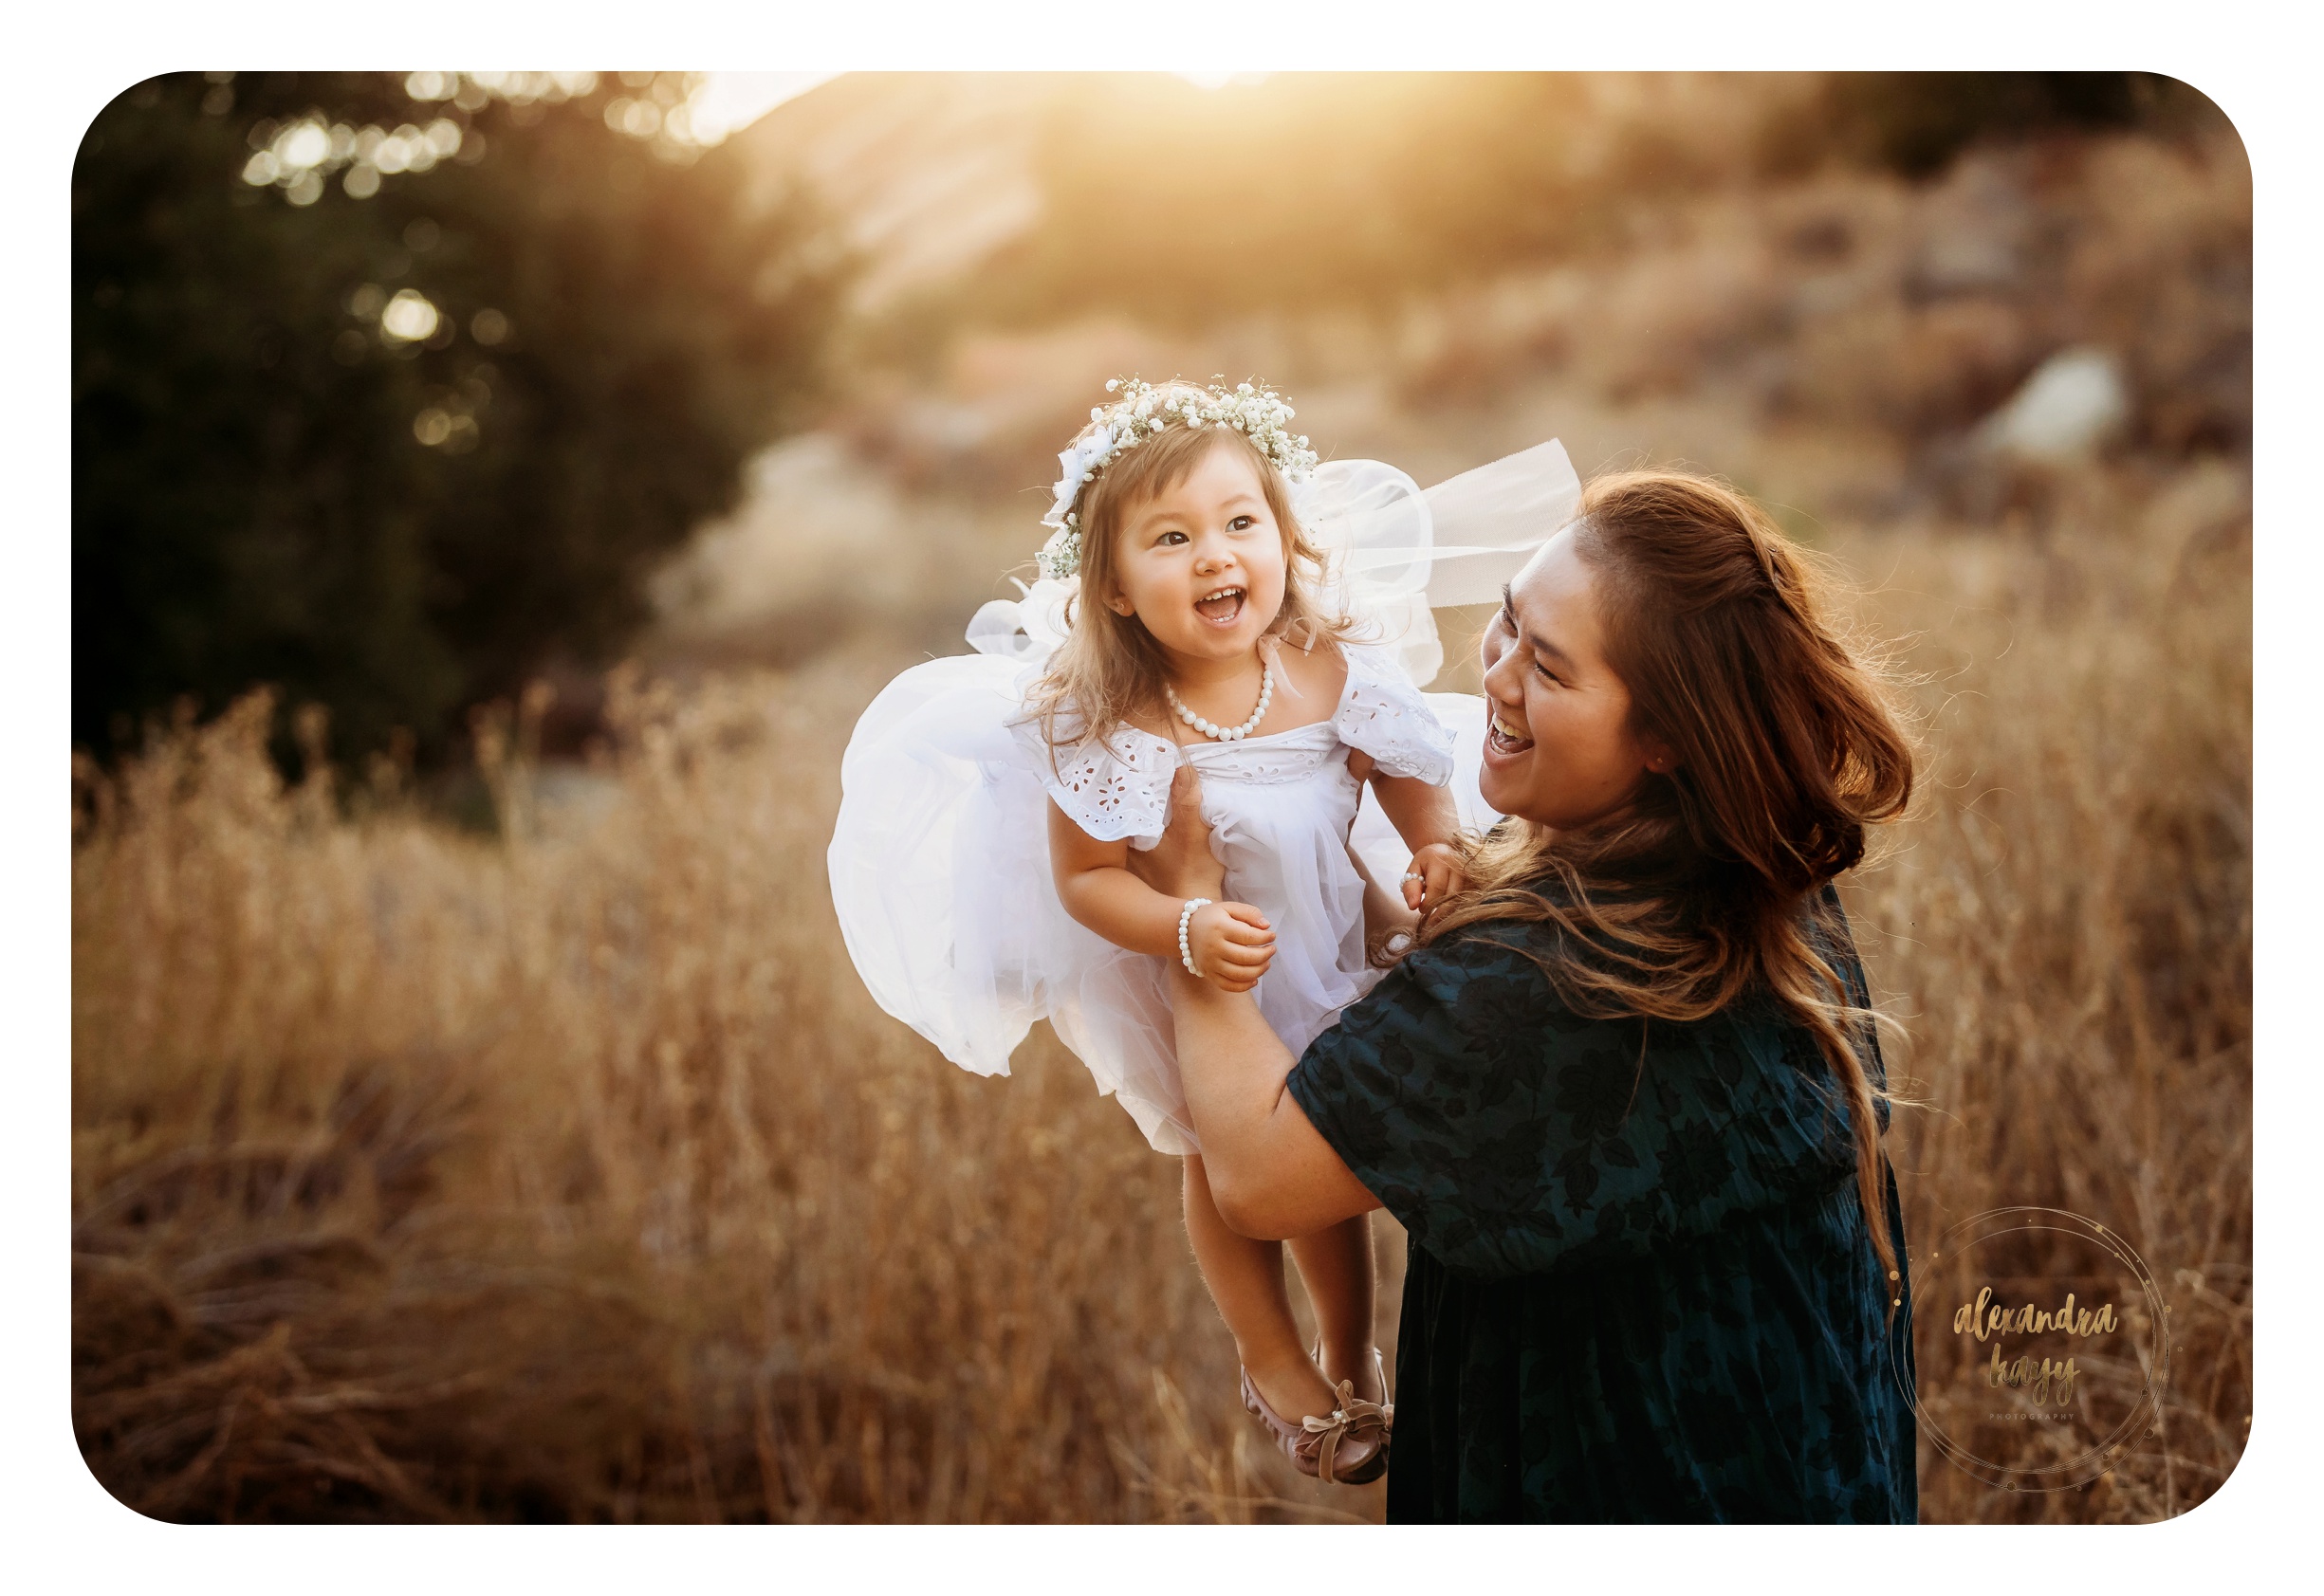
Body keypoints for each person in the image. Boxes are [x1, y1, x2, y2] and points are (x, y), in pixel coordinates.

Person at [1129, 470, 1923, 1521]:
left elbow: (1264, 1179)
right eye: (1505, 624)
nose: (1495, 676)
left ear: (1665, 736)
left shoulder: (1557, 967)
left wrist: (1191, 908)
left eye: (1546, 667)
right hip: (1801, 1447)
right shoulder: (1745, 861)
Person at [830, 376, 1523, 1483]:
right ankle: (1270, 1355)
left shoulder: (1327, 664)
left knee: (1327, 1152)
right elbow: (1089, 880)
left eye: (1239, 523)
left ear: (1284, 538)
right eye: (1171, 537)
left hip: (1330, 943)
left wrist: (1434, 842)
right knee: (1219, 1154)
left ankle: (1352, 1349)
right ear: (1109, 585)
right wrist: (1184, 925)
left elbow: (1402, 770)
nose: (1214, 556)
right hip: (1200, 972)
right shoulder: (1108, 719)